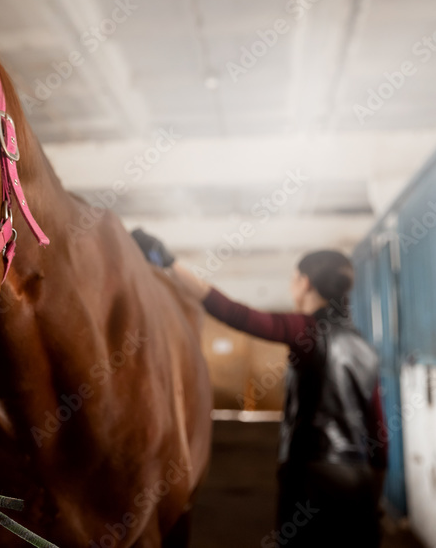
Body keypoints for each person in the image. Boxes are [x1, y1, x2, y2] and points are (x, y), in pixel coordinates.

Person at [132, 230, 388, 547]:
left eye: (294, 278)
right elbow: (379, 432)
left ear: (305, 282)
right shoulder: (364, 347)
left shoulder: (307, 331)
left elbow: (235, 314)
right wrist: (373, 494)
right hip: (359, 480)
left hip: (313, 476)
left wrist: (169, 261)